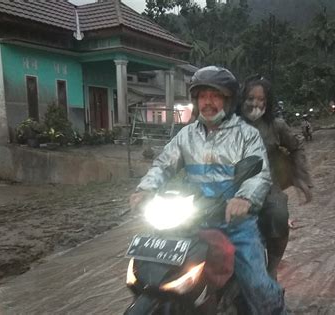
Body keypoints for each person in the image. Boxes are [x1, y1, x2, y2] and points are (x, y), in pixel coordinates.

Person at [130, 66, 287, 314]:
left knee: (258, 286)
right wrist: (146, 189)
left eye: (215, 96)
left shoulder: (247, 135)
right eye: (203, 96)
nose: (208, 102)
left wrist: (244, 198)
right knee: (153, 270)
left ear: (228, 100)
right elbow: (163, 164)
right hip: (193, 220)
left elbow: (259, 173)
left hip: (235, 223)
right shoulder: (186, 135)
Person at [238, 76, 312, 279]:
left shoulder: (276, 126)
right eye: (251, 98)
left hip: (268, 186)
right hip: (231, 186)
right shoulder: (230, 125)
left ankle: (272, 268)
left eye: (261, 99)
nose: (255, 103)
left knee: (279, 216)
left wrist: (301, 177)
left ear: (267, 102)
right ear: (242, 99)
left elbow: (296, 147)